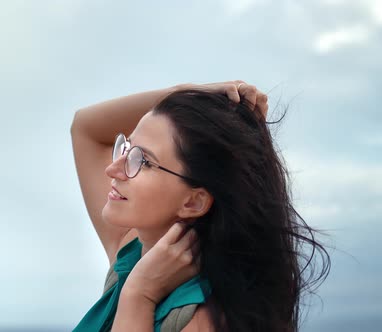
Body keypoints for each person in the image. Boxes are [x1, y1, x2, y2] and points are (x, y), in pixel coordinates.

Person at [69, 81, 330, 332]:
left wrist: (139, 296)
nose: (113, 169)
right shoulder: (132, 255)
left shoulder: (204, 320)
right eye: (127, 149)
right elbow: (85, 127)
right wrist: (187, 93)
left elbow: (86, 129)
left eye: (144, 161)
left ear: (194, 201)